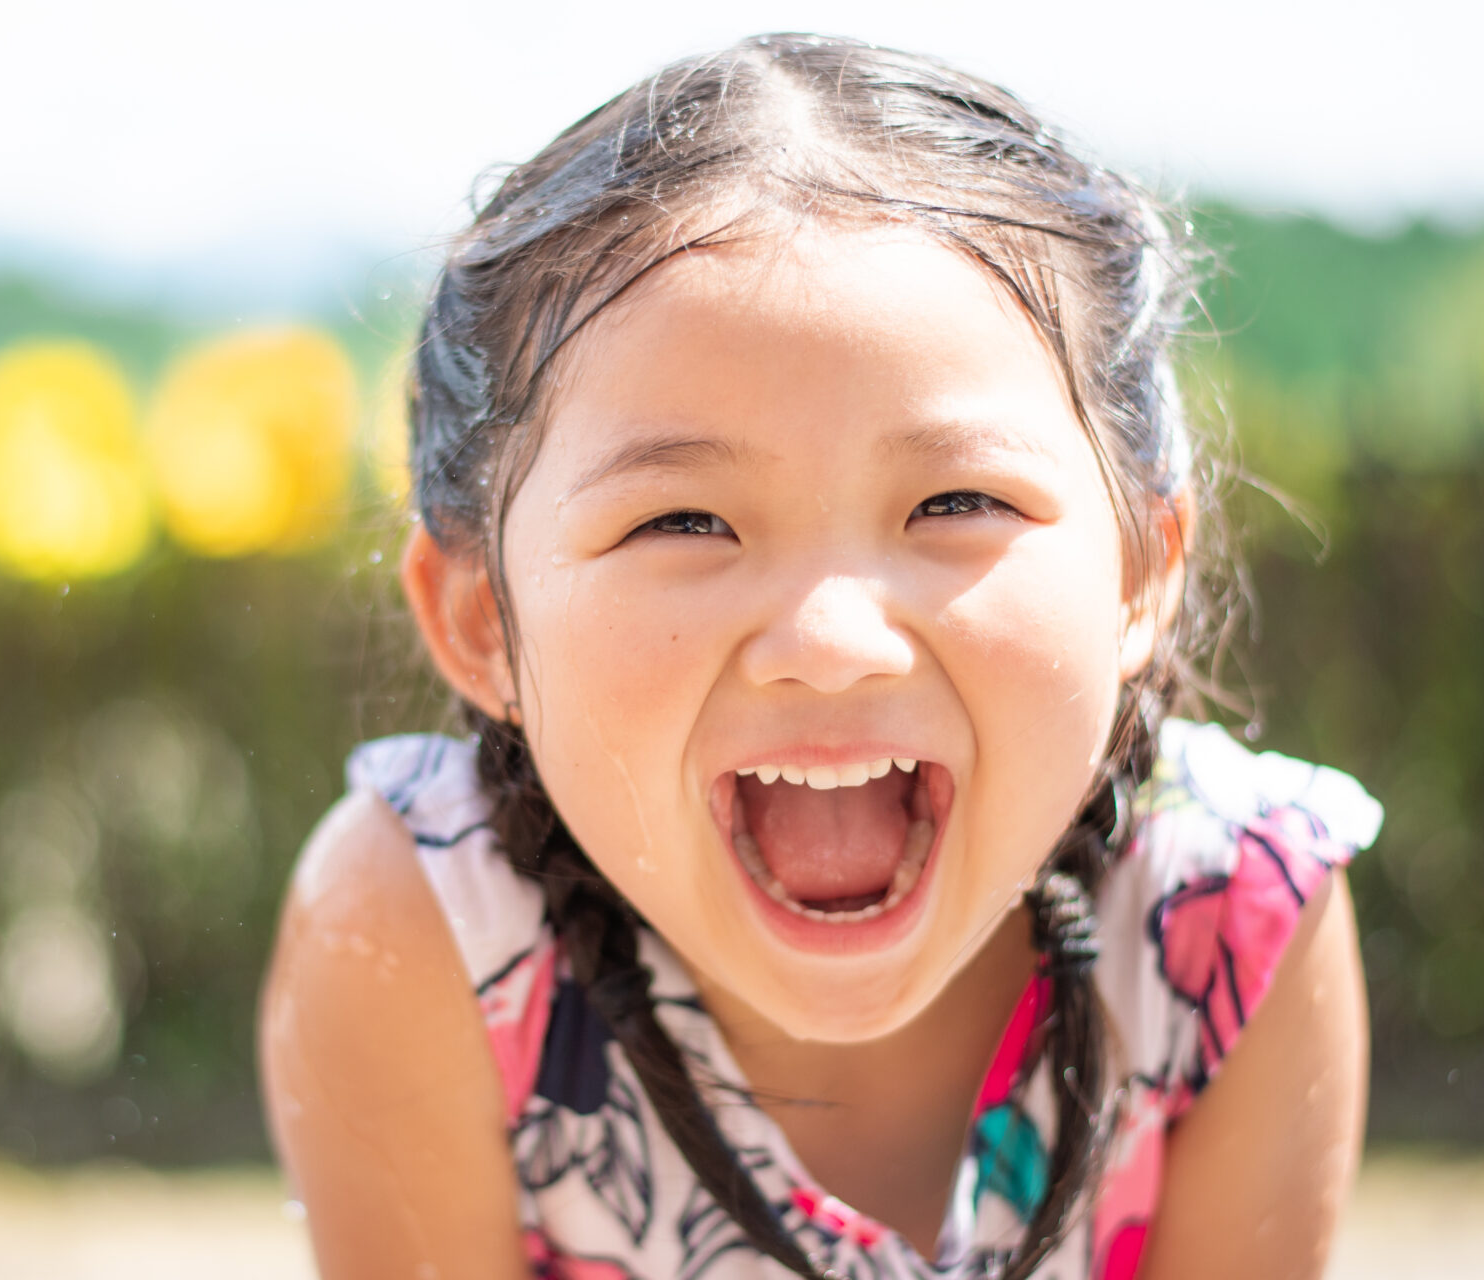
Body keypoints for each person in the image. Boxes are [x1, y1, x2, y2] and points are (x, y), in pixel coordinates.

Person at [260, 34, 1382, 1280]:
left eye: (957, 502)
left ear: (1139, 567)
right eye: (682, 520)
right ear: (482, 621)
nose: (833, 643)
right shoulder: (420, 932)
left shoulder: (1229, 914)